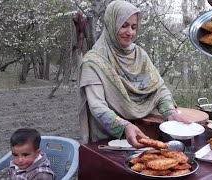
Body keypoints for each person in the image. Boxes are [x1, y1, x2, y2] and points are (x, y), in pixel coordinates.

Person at [78, 0, 192, 149]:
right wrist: (124, 126)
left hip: (146, 134)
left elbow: (159, 89)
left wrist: (169, 111)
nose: (130, 32)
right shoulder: (93, 62)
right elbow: (97, 106)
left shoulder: (140, 55)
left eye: (133, 27)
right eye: (123, 25)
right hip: (107, 140)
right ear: (111, 25)